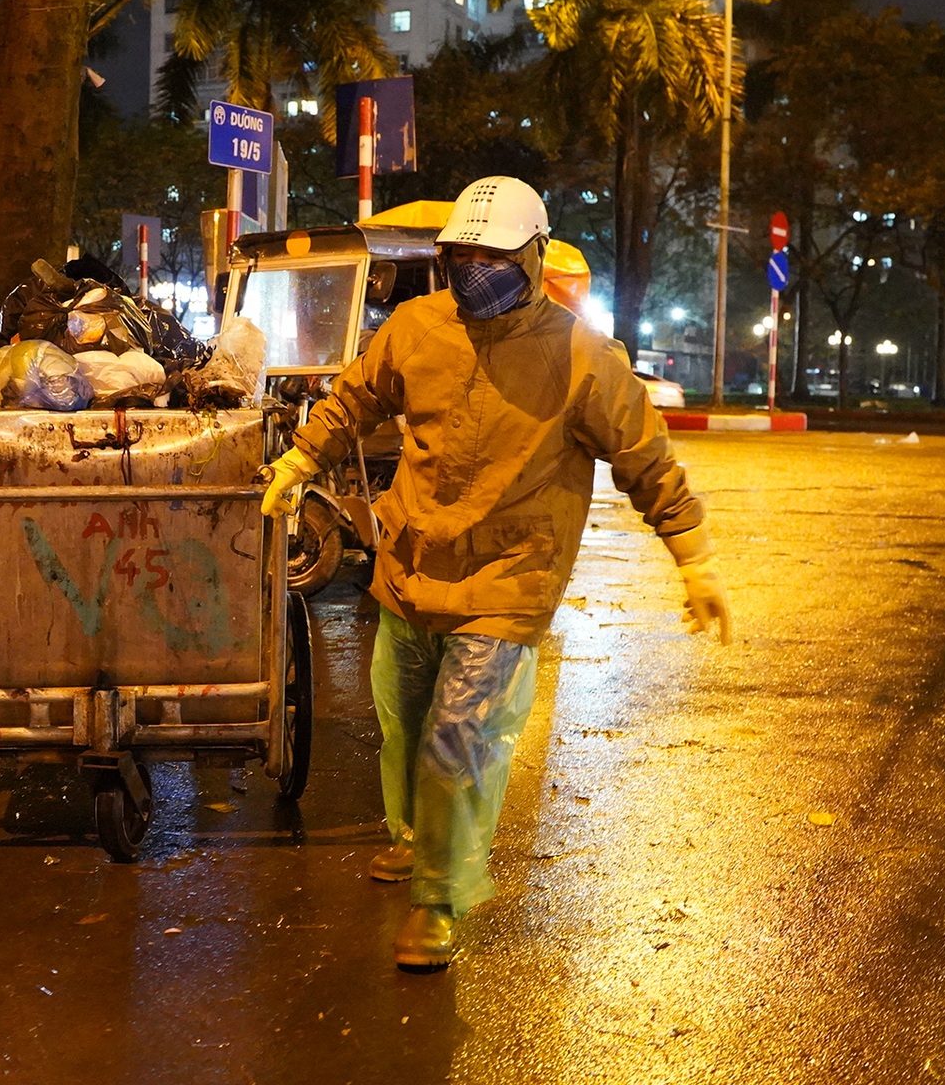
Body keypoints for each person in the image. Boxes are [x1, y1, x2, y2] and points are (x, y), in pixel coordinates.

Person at [261, 176, 733, 972]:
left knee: (458, 739)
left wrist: (695, 558)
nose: (476, 270)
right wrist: (303, 459)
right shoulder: (414, 328)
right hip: (411, 567)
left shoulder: (583, 356)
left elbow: (645, 458)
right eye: (463, 255)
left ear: (535, 256)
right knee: (404, 721)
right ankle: (417, 842)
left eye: (495, 257)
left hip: (511, 577)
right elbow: (355, 399)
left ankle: (439, 900)